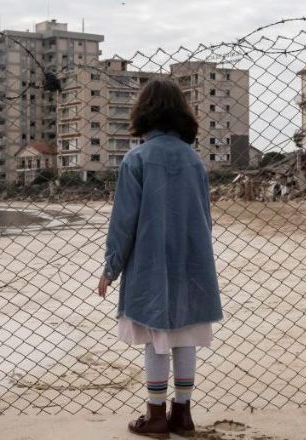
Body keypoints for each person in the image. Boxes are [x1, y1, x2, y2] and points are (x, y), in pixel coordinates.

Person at [97, 79, 224, 437]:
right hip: (192, 259)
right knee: (185, 334)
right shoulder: (194, 159)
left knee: (157, 338)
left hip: (151, 262)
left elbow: (125, 220)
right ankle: (182, 414)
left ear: (144, 112)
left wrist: (111, 267)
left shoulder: (137, 159)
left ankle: (154, 416)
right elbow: (205, 216)